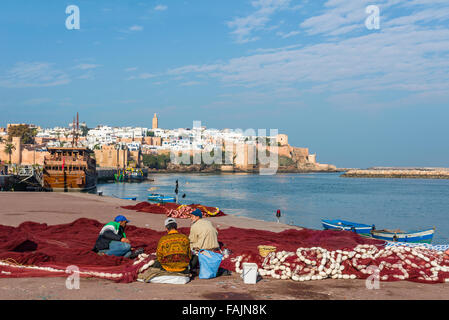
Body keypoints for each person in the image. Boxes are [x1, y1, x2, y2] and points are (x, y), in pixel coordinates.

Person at [188, 208, 220, 273]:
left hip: (203, 250)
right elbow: (216, 232)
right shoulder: (208, 222)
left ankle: (192, 267)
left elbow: (191, 240)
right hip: (214, 249)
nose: (191, 218)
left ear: (197, 217)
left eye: (192, 217)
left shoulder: (194, 226)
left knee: (189, 245)